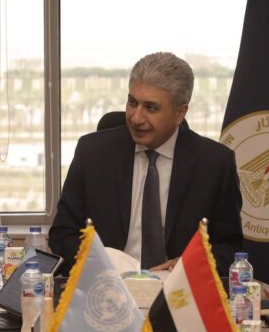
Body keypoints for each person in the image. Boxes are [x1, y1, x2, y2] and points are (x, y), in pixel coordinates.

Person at [49, 52, 243, 274]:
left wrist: (188, 267)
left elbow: (228, 247)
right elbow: (62, 235)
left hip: (178, 289)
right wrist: (107, 264)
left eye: (151, 108)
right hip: (107, 284)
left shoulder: (215, 163)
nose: (136, 118)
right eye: (132, 103)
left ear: (180, 113)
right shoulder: (92, 153)